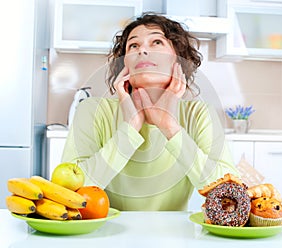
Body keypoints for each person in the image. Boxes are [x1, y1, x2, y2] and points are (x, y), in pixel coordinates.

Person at [61, 13, 239, 211]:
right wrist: (129, 131)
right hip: (104, 233)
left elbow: (231, 195)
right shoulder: (93, 110)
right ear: (125, 63)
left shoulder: (199, 113)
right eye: (133, 45)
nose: (143, 50)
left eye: (156, 42)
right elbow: (68, 194)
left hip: (173, 238)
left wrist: (170, 127)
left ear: (178, 59)